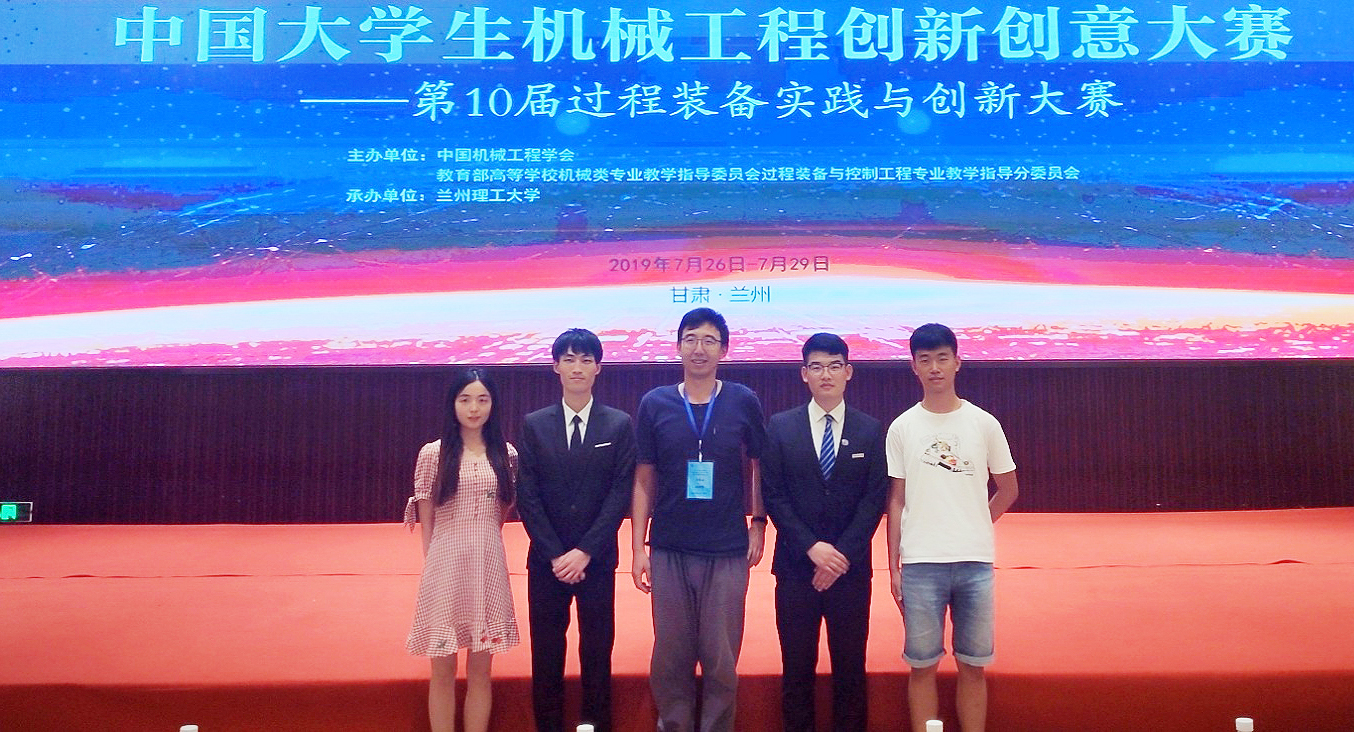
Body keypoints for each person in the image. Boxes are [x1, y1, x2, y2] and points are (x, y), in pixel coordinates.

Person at [630, 307, 768, 732]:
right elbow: (644, 477)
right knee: (670, 655)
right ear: (677, 347)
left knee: (721, 656)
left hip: (726, 548)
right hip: (669, 545)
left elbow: (759, 462)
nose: (699, 348)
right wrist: (638, 548)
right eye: (690, 339)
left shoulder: (742, 400)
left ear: (724, 350)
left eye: (709, 340)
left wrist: (758, 521)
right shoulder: (655, 403)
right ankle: (673, 725)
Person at [885, 324, 1019, 732]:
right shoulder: (902, 427)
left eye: (942, 358)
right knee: (922, 666)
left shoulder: (983, 423)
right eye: (924, 360)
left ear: (958, 362)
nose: (934, 368)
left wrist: (976, 521)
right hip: (921, 564)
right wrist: (893, 566)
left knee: (973, 666)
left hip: (974, 564)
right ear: (913, 367)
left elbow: (1009, 489)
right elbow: (897, 500)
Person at [761, 332, 888, 732]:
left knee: (850, 668)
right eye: (816, 367)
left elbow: (874, 499)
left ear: (849, 372)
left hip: (850, 571)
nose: (826, 374)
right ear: (804, 374)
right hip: (797, 568)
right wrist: (812, 548)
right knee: (796, 668)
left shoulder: (870, 430)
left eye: (835, 366)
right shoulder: (781, 427)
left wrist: (841, 555)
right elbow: (774, 495)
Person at [516, 328, 637, 732]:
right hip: (547, 561)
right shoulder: (535, 425)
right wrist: (555, 554)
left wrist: (584, 551)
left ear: (598, 368)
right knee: (546, 653)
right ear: (556, 367)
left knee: (597, 652)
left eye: (586, 360)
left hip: (596, 560)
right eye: (569, 359)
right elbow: (528, 495)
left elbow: (619, 494)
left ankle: (593, 727)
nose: (578, 368)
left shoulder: (618, 425)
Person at [404, 369, 520, 732]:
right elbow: (427, 519)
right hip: (444, 566)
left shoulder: (506, 454)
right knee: (442, 669)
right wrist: (434, 566)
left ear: (493, 405)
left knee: (481, 671)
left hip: (488, 564)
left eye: (482, 400)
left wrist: (481, 541)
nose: (474, 408)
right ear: (452, 404)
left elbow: (502, 512)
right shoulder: (433, 454)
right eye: (465, 399)